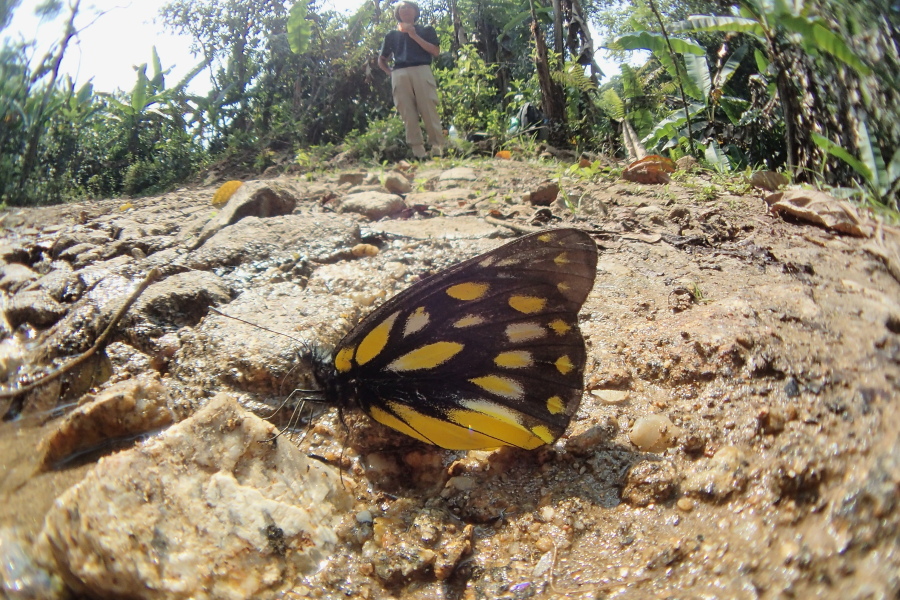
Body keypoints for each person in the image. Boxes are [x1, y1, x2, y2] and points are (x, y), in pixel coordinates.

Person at [378, 1, 446, 160]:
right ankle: (418, 152)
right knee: (407, 113)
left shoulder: (426, 30)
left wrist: (413, 35)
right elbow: (382, 59)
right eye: (402, 8)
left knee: (429, 108)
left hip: (422, 69)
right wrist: (391, 73)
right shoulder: (391, 35)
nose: (406, 10)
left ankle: (438, 148)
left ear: (416, 12)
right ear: (398, 13)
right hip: (400, 72)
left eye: (409, 7)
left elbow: (435, 51)